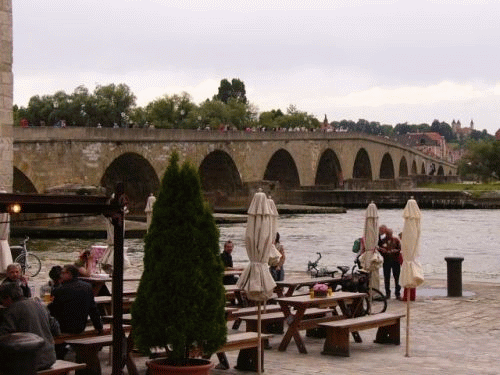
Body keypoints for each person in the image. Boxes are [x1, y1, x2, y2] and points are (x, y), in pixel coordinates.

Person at [0, 282, 58, 371]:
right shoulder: (40, 304)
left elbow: (4, 337)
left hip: (31, 362)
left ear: (8, 298)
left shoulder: (12, 311)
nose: (3, 304)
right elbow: (56, 329)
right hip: (49, 358)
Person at [48, 264, 103, 358]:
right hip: (80, 326)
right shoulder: (87, 287)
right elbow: (93, 309)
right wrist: (99, 326)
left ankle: (58, 357)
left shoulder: (59, 290)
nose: (61, 275)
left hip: (64, 328)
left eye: (63, 272)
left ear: (69, 274)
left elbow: (53, 311)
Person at [378, 228, 402, 300]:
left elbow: (400, 249)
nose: (389, 235)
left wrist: (394, 251)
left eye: (390, 234)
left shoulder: (396, 240)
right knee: (386, 277)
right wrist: (383, 251)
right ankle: (387, 293)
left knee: (397, 278)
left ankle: (397, 293)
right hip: (386, 261)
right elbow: (379, 248)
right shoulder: (382, 241)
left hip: (395, 261)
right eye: (388, 234)